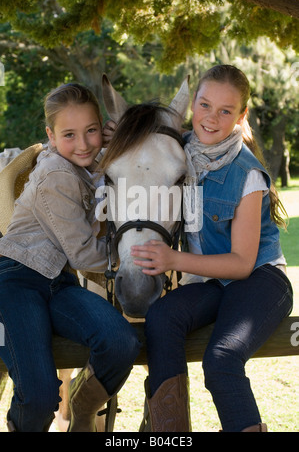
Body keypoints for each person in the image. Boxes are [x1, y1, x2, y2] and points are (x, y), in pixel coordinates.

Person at [130, 65, 293, 432]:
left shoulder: (247, 174)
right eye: (204, 105)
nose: (212, 118)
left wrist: (173, 259)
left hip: (260, 280)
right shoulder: (181, 151)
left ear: (241, 116)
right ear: (193, 106)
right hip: (210, 283)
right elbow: (145, 144)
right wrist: (117, 134)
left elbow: (241, 264)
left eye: (225, 111)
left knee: (221, 358)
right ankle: (171, 433)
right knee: (161, 317)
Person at [0, 83, 140, 432]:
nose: (83, 143)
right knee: (39, 395)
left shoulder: (82, 165)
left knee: (122, 342)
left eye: (92, 130)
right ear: (50, 135)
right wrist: (136, 260)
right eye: (69, 134)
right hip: (16, 280)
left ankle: (82, 404)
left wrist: (115, 141)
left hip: (57, 283)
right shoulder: (56, 174)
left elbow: (106, 174)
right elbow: (83, 254)